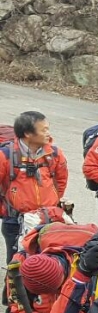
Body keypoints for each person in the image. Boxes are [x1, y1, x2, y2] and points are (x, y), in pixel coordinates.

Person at [0, 111, 68, 263]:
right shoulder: (5, 155)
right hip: (15, 220)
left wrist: (52, 204)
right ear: (27, 133)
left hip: (48, 218)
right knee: (16, 263)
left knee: (46, 262)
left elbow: (61, 181)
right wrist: (5, 210)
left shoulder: (54, 154)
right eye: (43, 130)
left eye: (48, 129)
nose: (48, 133)